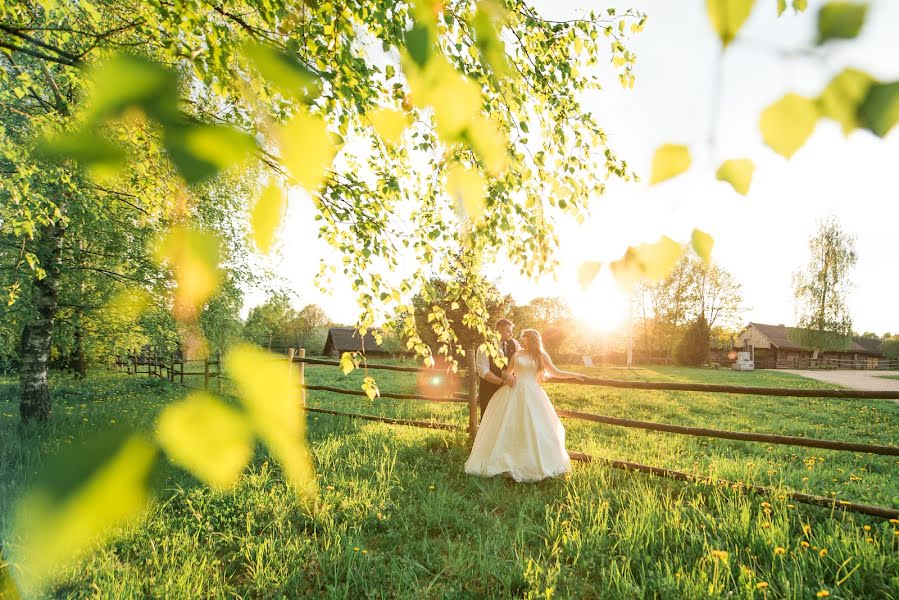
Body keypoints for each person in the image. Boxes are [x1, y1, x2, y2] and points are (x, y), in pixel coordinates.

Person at [465, 328, 584, 482]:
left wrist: (574, 375)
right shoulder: (516, 355)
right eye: (521, 337)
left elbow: (555, 372)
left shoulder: (541, 356)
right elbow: (508, 372)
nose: (521, 340)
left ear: (532, 339)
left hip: (532, 392)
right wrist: (508, 376)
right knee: (510, 425)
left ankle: (533, 463)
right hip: (513, 391)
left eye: (524, 337)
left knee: (534, 426)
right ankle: (508, 460)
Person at [474, 318, 520, 420]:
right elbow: (484, 372)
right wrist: (502, 382)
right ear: (499, 331)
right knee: (489, 420)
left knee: (509, 420)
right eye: (508, 331)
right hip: (490, 391)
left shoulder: (514, 344)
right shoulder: (484, 348)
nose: (511, 334)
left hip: (510, 391)